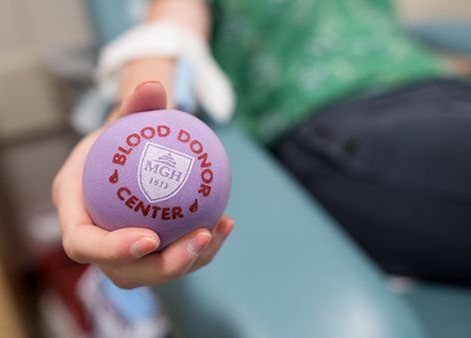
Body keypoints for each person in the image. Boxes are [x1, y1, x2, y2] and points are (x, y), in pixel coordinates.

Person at [53, 0, 471, 289]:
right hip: (337, 124)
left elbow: (379, 43)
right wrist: (125, 125)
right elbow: (168, 32)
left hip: (440, 92)